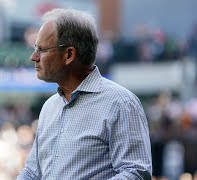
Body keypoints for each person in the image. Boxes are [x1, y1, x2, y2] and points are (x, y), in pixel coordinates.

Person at [17, 8, 152, 179]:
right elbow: (32, 172)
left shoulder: (121, 103)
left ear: (69, 55)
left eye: (42, 49)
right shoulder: (49, 107)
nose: (34, 57)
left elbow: (136, 172)